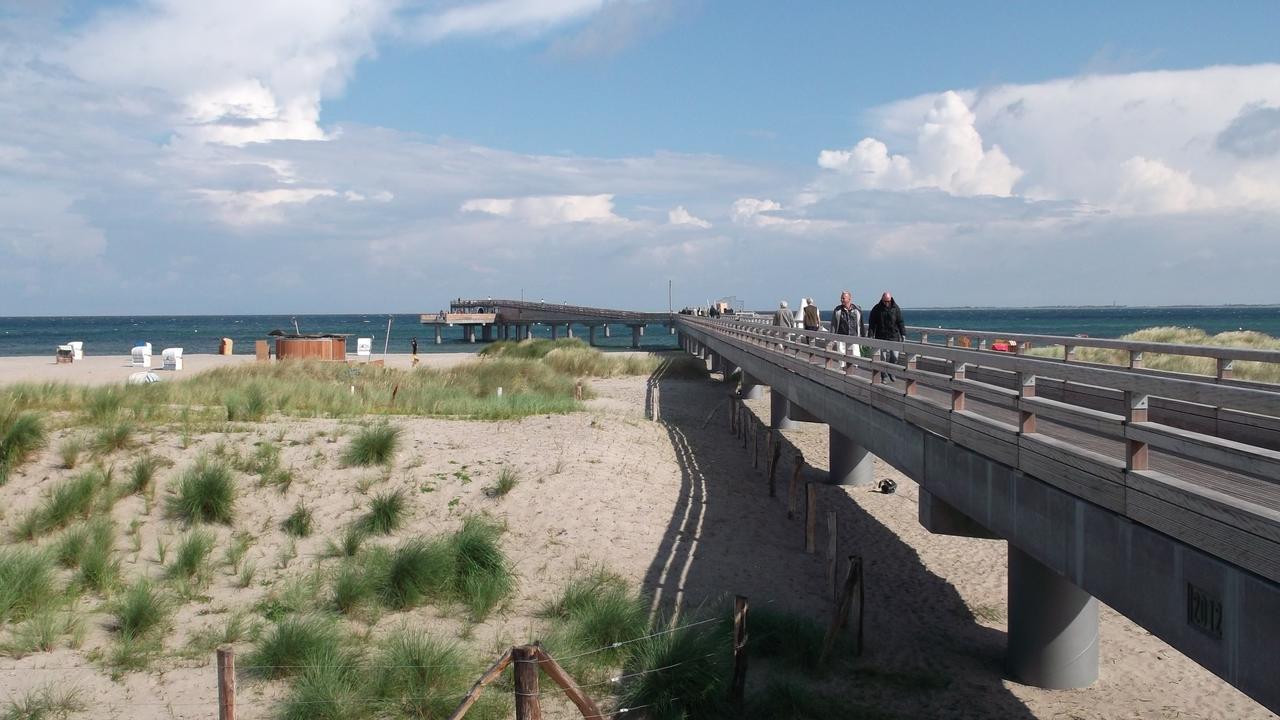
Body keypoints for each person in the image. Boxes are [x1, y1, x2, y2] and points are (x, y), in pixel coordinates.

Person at [868, 291, 905, 382]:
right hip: (881, 336)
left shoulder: (895, 308)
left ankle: (891, 372)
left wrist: (903, 333)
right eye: (885, 301)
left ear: (891, 299)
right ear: (882, 299)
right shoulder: (877, 308)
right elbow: (872, 323)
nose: (887, 303)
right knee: (883, 358)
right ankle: (884, 375)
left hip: (894, 336)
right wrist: (870, 335)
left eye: (888, 301)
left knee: (895, 356)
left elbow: (900, 321)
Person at [830, 290, 864, 364]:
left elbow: (861, 324)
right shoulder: (838, 310)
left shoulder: (857, 310)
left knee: (855, 360)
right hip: (841, 338)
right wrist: (832, 338)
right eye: (841, 298)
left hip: (854, 338)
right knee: (842, 361)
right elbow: (833, 324)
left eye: (843, 298)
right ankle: (844, 374)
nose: (841, 300)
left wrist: (862, 337)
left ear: (849, 299)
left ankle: (852, 374)